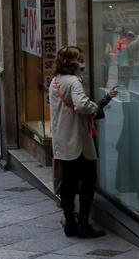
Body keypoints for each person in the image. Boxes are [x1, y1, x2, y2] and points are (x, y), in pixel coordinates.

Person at [49, 45, 116, 238]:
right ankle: (84, 223)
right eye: (79, 58)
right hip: (77, 139)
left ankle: (70, 222)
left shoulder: (55, 81)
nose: (82, 62)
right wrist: (95, 106)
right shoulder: (74, 81)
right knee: (88, 181)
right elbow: (81, 105)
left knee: (68, 183)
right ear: (73, 62)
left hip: (62, 139)